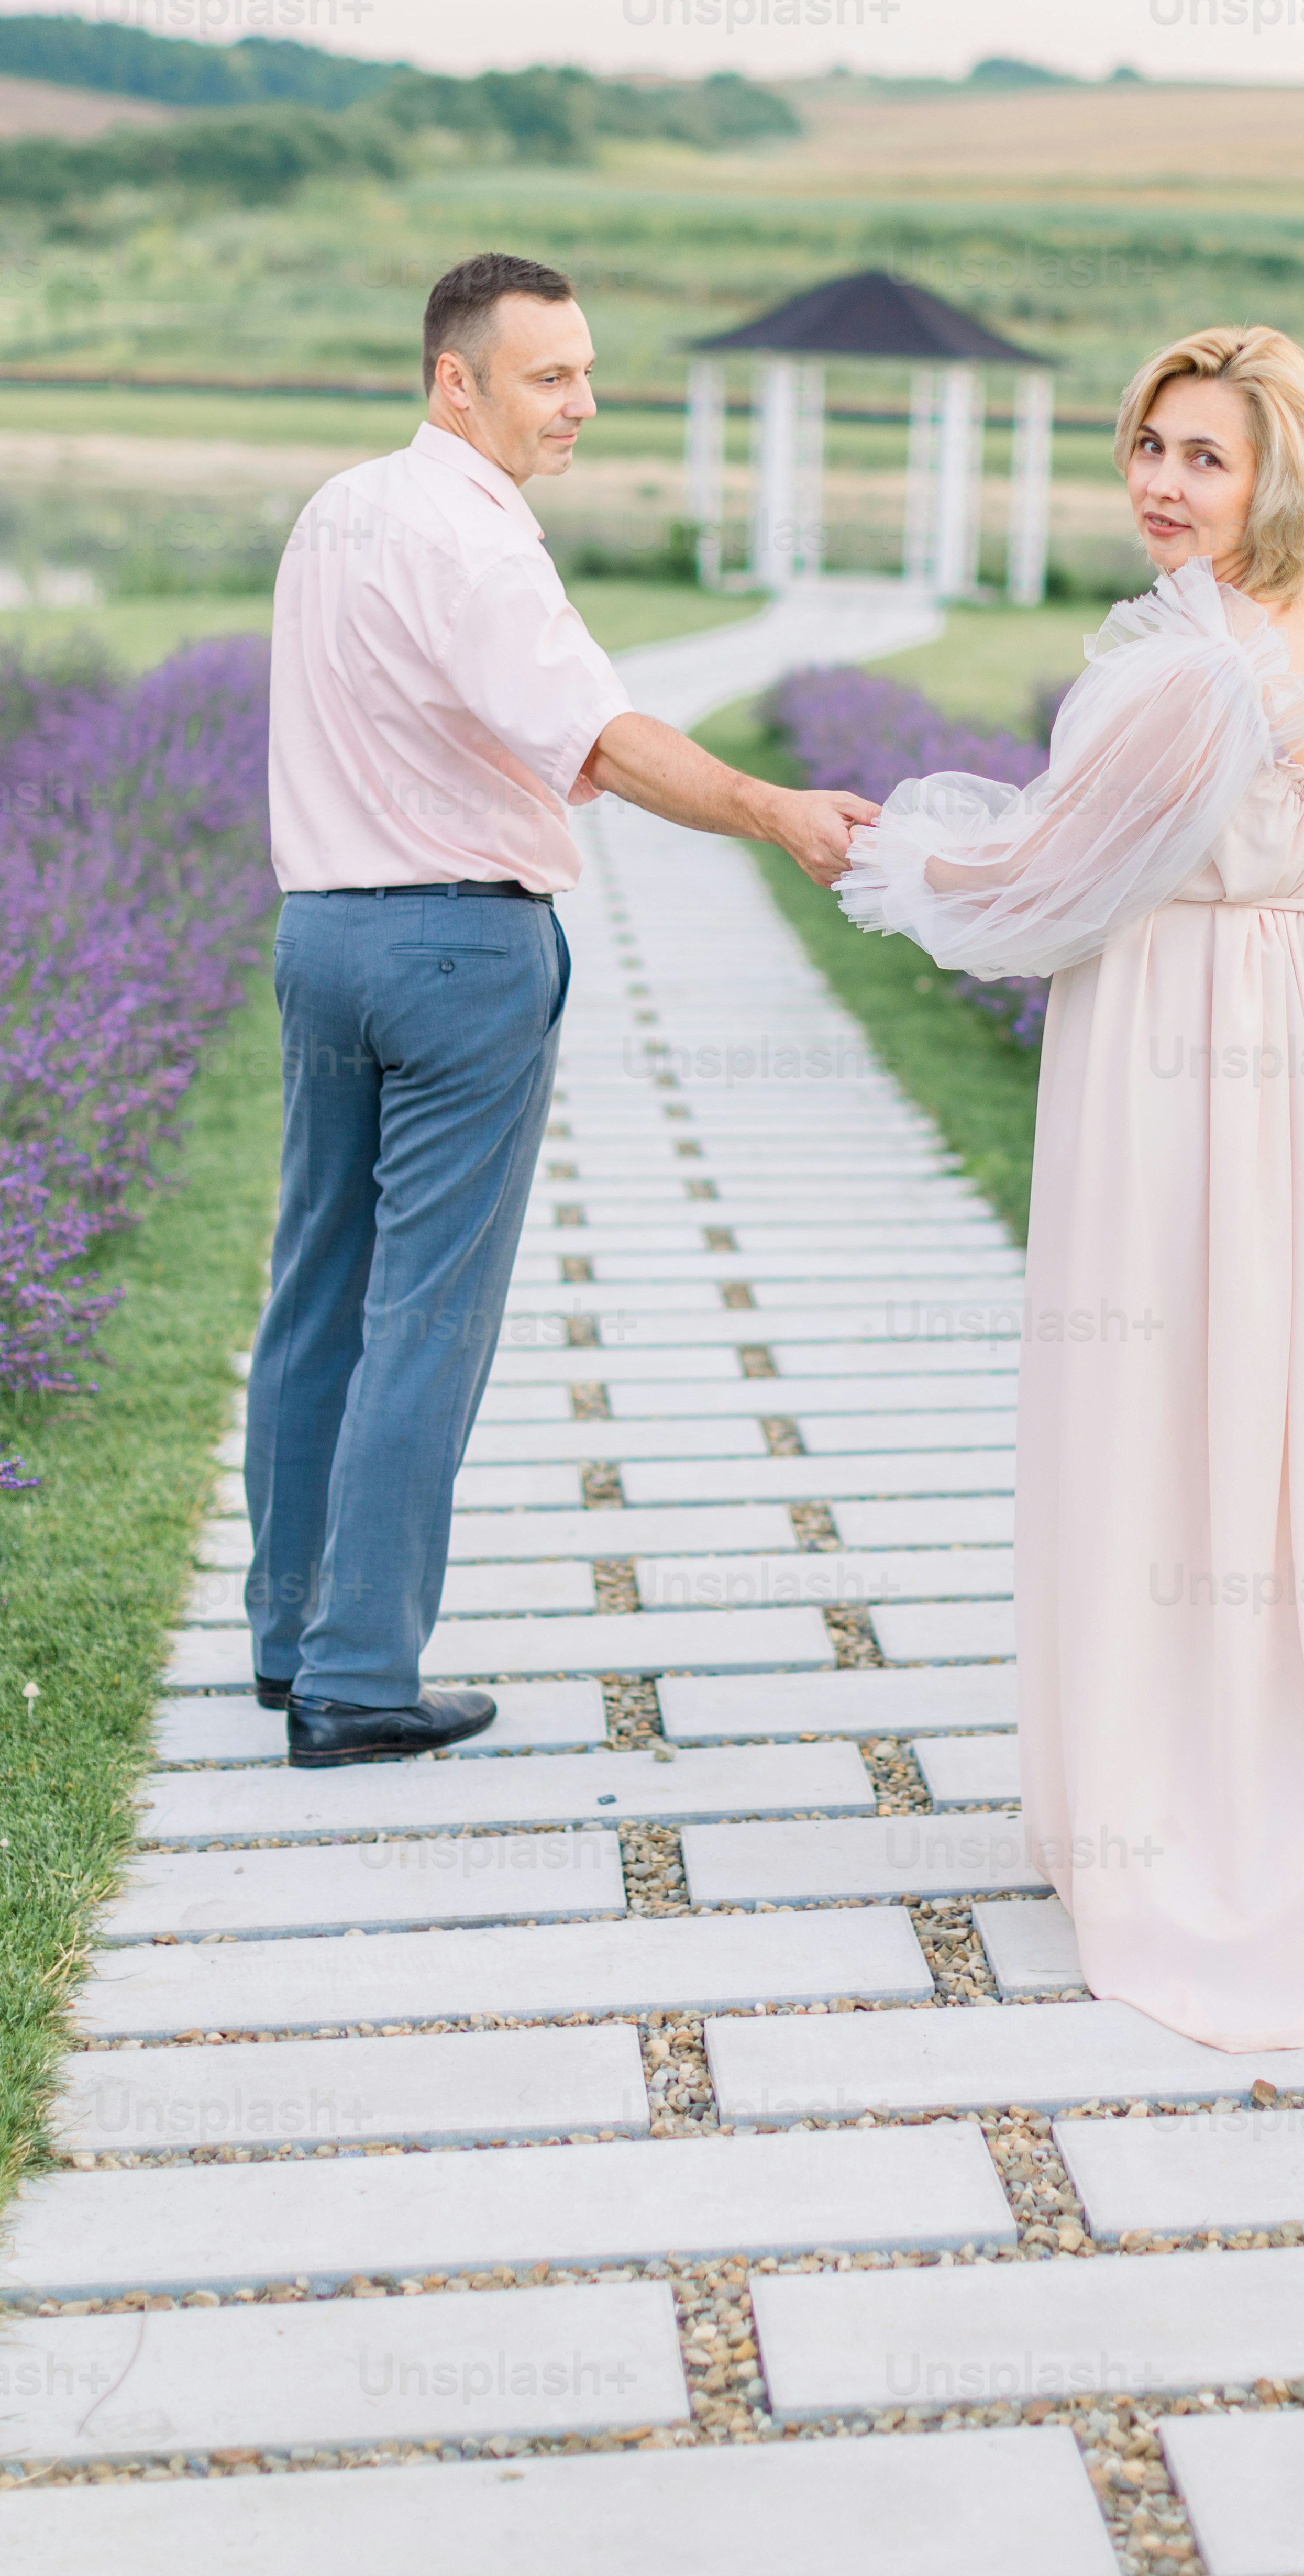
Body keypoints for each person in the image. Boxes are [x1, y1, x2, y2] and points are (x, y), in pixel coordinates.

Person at [839, 325, 1304, 2049]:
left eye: (1207, 458)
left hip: (1177, 1059)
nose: (1164, 487)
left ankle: (1163, 1788)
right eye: (1152, 448)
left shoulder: (1196, 665)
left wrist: (879, 849)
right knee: (1284, 1393)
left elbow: (1044, 877)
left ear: (1278, 478)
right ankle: (1249, 1743)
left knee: (1161, 1396)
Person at [247, 249, 876, 1768]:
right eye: (550, 375)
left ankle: (289, 1637)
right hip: (458, 954)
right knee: (426, 1315)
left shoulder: (338, 512)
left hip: (323, 935)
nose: (582, 402)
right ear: (454, 379)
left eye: (588, 371)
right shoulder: (477, 544)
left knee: (316, 1287)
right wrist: (773, 806)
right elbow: (604, 737)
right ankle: (359, 1679)